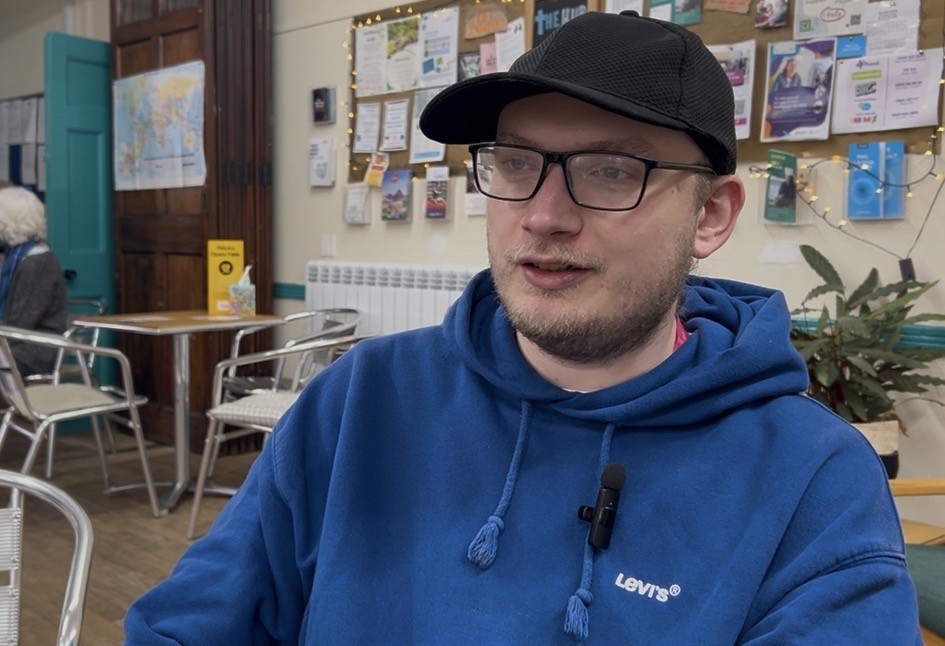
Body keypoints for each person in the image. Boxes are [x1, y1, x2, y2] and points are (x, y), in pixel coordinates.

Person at [124, 10, 920, 643]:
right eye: (513, 162)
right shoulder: (360, 401)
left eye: (611, 169)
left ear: (710, 215)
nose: (542, 216)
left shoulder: (811, 478)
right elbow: (186, 624)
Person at [0, 186, 68, 376]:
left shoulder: (37, 262)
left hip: (36, 348)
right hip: (15, 342)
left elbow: (19, 324)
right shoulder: (14, 256)